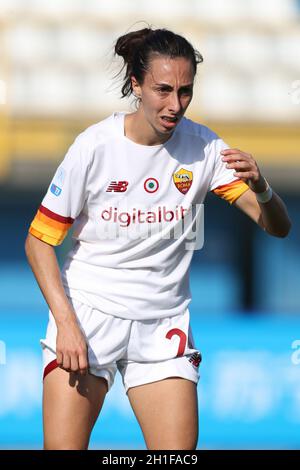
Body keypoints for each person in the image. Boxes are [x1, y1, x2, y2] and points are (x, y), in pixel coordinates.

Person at [25, 27, 291, 450]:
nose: (175, 105)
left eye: (185, 91)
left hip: (163, 327)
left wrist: (262, 188)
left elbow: (277, 227)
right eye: (163, 90)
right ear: (136, 84)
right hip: (88, 317)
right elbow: (38, 242)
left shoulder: (204, 149)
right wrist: (66, 324)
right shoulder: (94, 147)